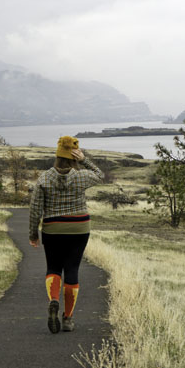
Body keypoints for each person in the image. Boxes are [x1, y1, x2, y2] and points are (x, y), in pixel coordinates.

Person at [28, 135, 105, 333]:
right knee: (72, 269)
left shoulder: (44, 178)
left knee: (53, 267)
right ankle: (68, 318)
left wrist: (33, 234)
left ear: (57, 154)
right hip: (79, 228)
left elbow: (35, 209)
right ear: (73, 156)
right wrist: (84, 159)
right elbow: (100, 174)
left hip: (53, 228)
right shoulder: (81, 176)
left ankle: (54, 299)